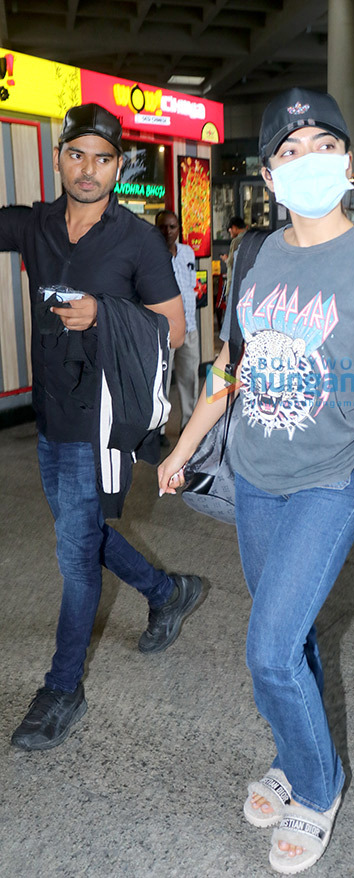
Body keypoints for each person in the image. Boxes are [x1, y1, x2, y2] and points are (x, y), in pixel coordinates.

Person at [158, 87, 354, 874]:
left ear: (346, 161)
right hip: (256, 477)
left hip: (327, 480)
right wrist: (186, 445)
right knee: (293, 635)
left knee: (268, 650)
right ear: (270, 177)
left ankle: (317, 788)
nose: (308, 159)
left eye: (323, 144)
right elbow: (230, 370)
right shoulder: (256, 255)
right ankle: (292, 754)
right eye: (288, 150)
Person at [3, 104, 203, 752]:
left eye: (103, 158)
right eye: (77, 154)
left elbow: (172, 327)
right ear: (60, 158)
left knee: (72, 552)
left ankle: (64, 688)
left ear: (119, 166)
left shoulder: (136, 239)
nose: (88, 169)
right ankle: (166, 590)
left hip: (101, 421)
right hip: (52, 413)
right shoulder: (36, 226)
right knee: (79, 534)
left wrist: (104, 313)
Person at [156, 209, 201, 432]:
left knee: (190, 377)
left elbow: (191, 287)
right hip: (164, 330)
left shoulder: (188, 253)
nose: (168, 231)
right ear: (156, 229)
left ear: (178, 229)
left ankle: (188, 425)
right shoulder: (151, 255)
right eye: (163, 227)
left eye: (172, 227)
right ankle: (160, 429)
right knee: (161, 381)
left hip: (190, 327)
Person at [223, 215, 247, 301]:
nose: (230, 231)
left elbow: (231, 262)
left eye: (230, 229)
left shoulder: (236, 241)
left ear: (234, 228)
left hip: (234, 284)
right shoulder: (251, 237)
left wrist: (226, 259)